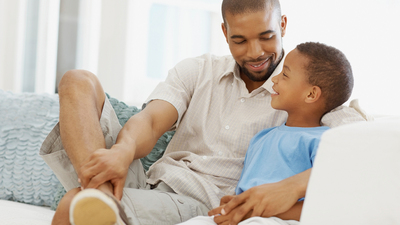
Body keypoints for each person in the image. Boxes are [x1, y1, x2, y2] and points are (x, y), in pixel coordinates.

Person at [39, 0, 366, 225]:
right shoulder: (198, 70)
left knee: (70, 206)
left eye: (266, 37)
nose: (255, 53)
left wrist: (291, 189)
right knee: (77, 80)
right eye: (240, 40)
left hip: (198, 203)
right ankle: (101, 197)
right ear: (225, 33)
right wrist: (123, 151)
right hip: (148, 183)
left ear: (282, 24)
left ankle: (96, 202)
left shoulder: (308, 90)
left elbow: (361, 151)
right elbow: (152, 121)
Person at [176, 41, 353, 225]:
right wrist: (236, 205)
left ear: (310, 95)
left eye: (285, 74)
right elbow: (245, 191)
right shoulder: (262, 138)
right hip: (246, 217)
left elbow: (326, 205)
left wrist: (257, 214)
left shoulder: (323, 141)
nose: (275, 79)